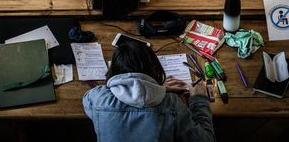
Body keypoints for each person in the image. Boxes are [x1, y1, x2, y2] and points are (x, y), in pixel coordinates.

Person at [82, 41, 216, 142]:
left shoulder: (98, 97)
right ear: (154, 69)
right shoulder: (172, 104)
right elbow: (207, 140)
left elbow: (86, 100)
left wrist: (157, 88)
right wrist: (199, 99)